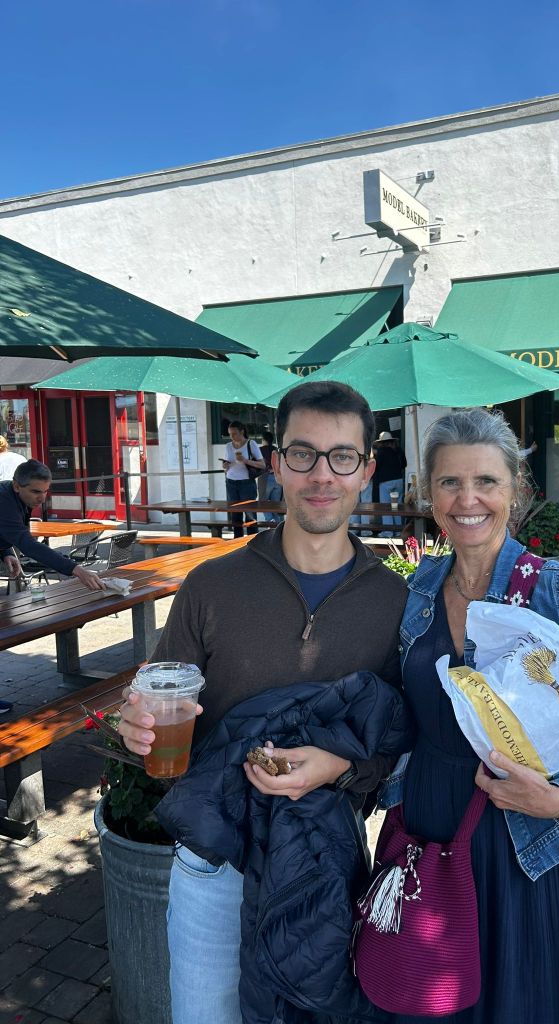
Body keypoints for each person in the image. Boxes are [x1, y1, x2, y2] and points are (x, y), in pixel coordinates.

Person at [118, 381, 408, 1024]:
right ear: (276, 463)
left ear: (366, 469)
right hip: (213, 861)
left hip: (322, 862)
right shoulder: (210, 585)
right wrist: (133, 724)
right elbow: (157, 695)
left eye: (342, 456)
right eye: (303, 453)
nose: (321, 475)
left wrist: (341, 766)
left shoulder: (395, 602)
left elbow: (396, 736)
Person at [380, 408, 559, 1023]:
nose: (468, 500)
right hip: (425, 822)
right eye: (450, 483)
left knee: (517, 1000)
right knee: (420, 994)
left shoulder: (557, 591)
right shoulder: (417, 591)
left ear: (516, 490)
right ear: (430, 495)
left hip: (519, 840)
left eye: (486, 481)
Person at [0, 460, 105, 593]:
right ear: (16, 486)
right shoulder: (4, 500)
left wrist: (5, 552)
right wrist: (77, 570)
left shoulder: (19, 496)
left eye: (45, 491)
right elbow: (28, 544)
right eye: (36, 492)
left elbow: (8, 530)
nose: (42, 499)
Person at [221, 421, 265, 538]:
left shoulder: (251, 444)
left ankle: (253, 541)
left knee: (250, 514)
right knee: (235, 515)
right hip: (231, 482)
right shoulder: (228, 446)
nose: (232, 436)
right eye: (230, 434)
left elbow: (262, 465)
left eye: (234, 433)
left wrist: (245, 460)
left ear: (242, 432)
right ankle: (237, 542)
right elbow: (227, 465)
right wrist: (225, 466)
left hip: (246, 483)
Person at [372, 430, 408, 536]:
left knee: (386, 507)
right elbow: (404, 464)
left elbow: (376, 466)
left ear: (381, 442)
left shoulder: (381, 451)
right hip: (398, 480)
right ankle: (398, 530)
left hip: (385, 481)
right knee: (396, 506)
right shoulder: (398, 450)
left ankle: (388, 531)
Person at [255, 428, 283, 523]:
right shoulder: (276, 450)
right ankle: (278, 524)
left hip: (265, 478)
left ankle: (270, 520)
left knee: (263, 502)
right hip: (277, 479)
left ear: (263, 440)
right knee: (276, 505)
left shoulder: (259, 450)